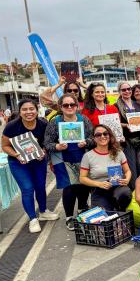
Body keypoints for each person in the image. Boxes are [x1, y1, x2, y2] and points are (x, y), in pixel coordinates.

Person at [1, 99, 57, 233]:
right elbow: (5, 146)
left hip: (38, 161)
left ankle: (43, 212)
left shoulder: (43, 123)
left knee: (40, 186)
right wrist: (17, 155)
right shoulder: (12, 126)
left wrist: (43, 151)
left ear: (37, 110)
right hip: (19, 162)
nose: (28, 112)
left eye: (31, 109)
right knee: (27, 189)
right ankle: (32, 219)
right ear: (19, 112)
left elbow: (47, 143)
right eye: (24, 109)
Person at [43, 93, 94, 230]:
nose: (69, 107)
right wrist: (57, 146)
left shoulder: (84, 120)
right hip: (63, 160)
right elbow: (47, 143)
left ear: (77, 106)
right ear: (61, 107)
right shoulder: (55, 122)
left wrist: (86, 142)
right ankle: (70, 217)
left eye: (72, 104)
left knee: (83, 185)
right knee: (69, 187)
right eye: (66, 105)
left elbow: (93, 139)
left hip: (82, 157)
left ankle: (82, 210)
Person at [79, 124, 132, 211]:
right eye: (98, 135)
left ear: (109, 136)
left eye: (105, 134)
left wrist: (127, 179)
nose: (102, 136)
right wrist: (99, 184)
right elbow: (82, 178)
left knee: (124, 194)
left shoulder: (118, 152)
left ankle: (120, 210)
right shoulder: (88, 156)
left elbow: (127, 171)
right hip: (99, 189)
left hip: (118, 187)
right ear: (94, 138)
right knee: (103, 217)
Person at [115, 82, 140, 189]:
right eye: (123, 90)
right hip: (127, 141)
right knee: (131, 167)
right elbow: (115, 123)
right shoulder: (116, 106)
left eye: (128, 89)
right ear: (120, 92)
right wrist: (126, 125)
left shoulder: (137, 104)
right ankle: (133, 191)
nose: (127, 91)